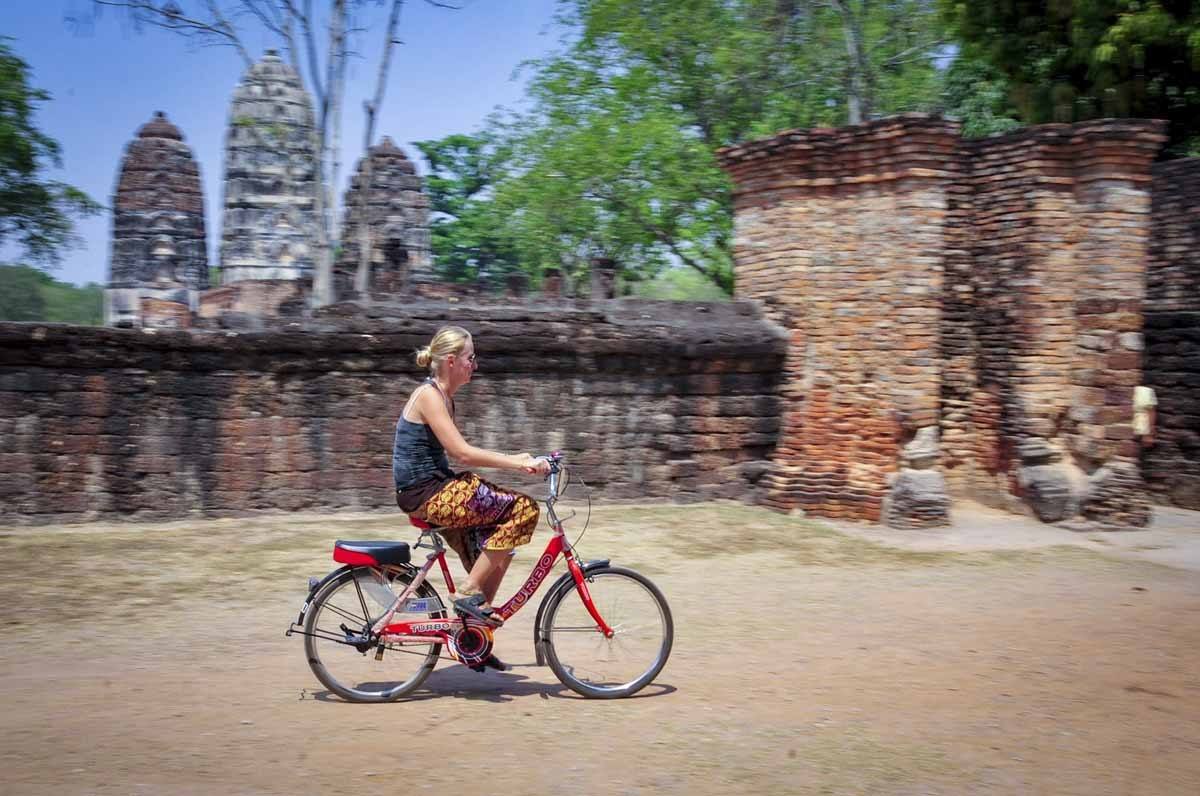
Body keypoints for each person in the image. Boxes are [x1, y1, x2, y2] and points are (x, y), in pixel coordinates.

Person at [392, 325, 550, 643]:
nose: (474, 365)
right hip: (426, 494)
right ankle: (467, 592)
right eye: (470, 358)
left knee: (499, 548)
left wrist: (521, 458)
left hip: (435, 490)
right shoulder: (428, 396)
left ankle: (473, 630)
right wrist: (519, 462)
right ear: (451, 361)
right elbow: (462, 453)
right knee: (524, 509)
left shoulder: (444, 398)